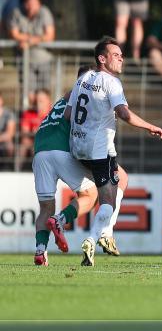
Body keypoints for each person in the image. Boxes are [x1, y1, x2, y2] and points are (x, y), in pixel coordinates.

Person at [67, 37, 162, 266]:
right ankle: (94, 238)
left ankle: (107, 233)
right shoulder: (111, 83)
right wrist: (151, 126)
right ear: (102, 59)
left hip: (77, 148)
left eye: (122, 54)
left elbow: (68, 114)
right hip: (99, 152)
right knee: (107, 203)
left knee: (122, 178)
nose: (121, 58)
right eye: (116, 54)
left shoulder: (82, 79)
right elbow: (124, 114)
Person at [37, 65, 131, 263]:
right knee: (103, 188)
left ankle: (40, 251)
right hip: (68, 151)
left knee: (45, 207)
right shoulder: (86, 95)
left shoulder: (66, 97)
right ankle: (101, 231)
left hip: (40, 152)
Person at [7, 0, 56, 91]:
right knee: (28, 95)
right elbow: (14, 34)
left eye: (35, 4)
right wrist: (37, 38)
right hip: (25, 61)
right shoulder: (16, 12)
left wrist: (29, 41)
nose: (33, 7)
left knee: (43, 94)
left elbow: (50, 36)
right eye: (30, 4)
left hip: (44, 60)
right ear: (25, 4)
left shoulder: (44, 12)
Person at [17, 88, 52, 170]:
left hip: (47, 142)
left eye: (41, 100)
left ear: (49, 101)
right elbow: (25, 131)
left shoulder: (54, 114)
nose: (38, 103)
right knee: (24, 143)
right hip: (32, 140)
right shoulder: (29, 113)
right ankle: (16, 170)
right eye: (37, 100)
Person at [0, 94, 15, 161]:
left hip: (4, 141)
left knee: (9, 144)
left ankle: (9, 166)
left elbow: (10, 133)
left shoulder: (9, 114)